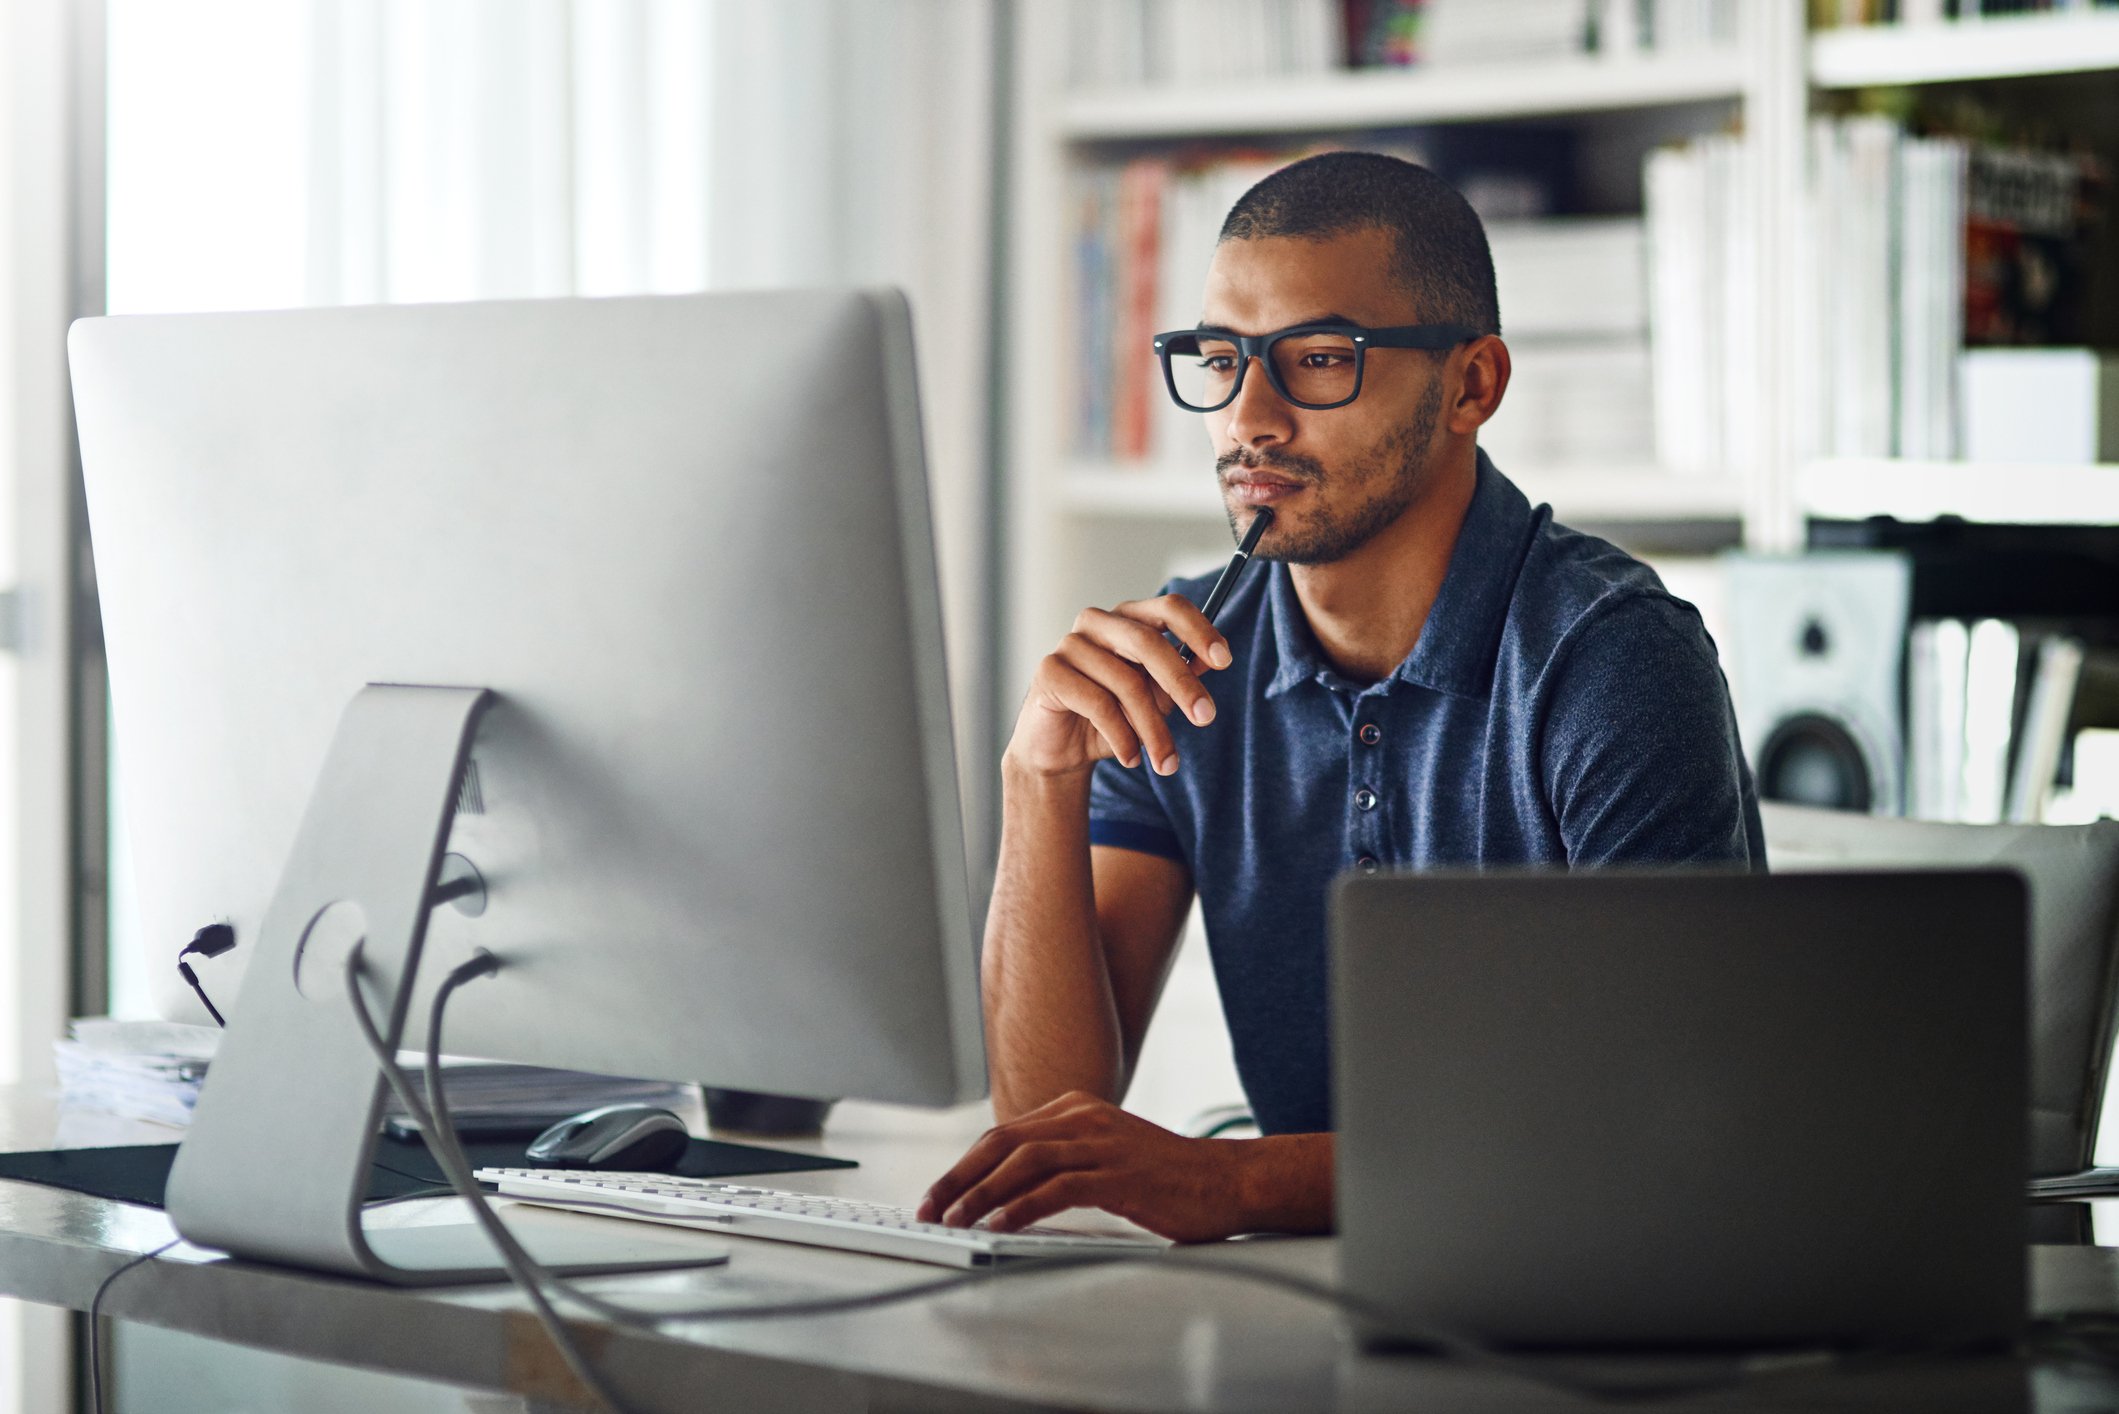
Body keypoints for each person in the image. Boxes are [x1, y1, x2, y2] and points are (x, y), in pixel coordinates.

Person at [918, 151, 1764, 1243]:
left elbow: (1657, 1125)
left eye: (1318, 358)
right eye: (1219, 358)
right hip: (1309, 1306)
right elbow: (1046, 1124)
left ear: (1472, 385)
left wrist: (1234, 1184)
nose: (1248, 418)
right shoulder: (1182, 657)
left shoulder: (1611, 660)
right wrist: (1037, 778)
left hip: (1580, 1307)